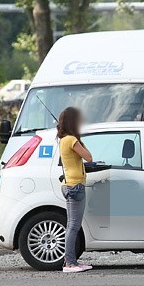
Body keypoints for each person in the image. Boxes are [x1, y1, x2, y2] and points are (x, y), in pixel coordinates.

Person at [57, 107, 93, 273]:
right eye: (78, 120)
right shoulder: (71, 139)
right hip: (75, 185)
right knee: (73, 226)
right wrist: (80, 140)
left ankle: (70, 261)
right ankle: (70, 263)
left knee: (71, 225)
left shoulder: (63, 140)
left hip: (69, 184)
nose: (81, 122)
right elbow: (88, 156)